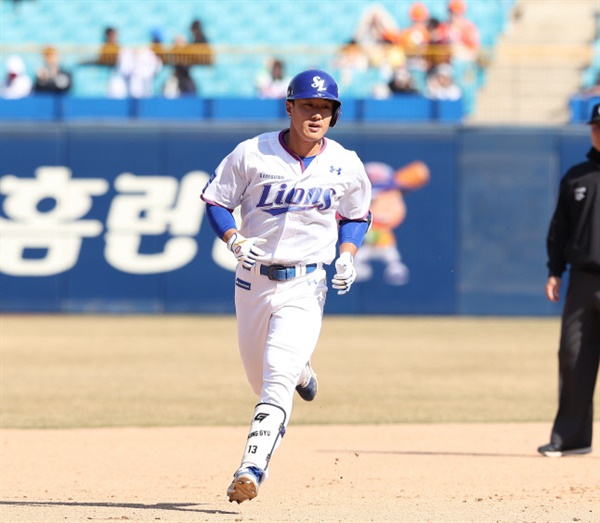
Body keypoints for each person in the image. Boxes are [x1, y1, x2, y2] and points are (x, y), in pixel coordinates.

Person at [201, 69, 372, 503]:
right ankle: (302, 368)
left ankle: (252, 466)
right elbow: (217, 201)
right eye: (309, 106)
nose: (317, 115)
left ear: (334, 115)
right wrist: (233, 238)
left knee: (275, 374)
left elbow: (357, 214)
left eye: (326, 108)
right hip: (252, 281)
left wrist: (348, 254)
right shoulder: (252, 153)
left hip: (307, 282)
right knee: (260, 378)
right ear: (290, 107)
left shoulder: (345, 163)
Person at [538, 102, 600, 458]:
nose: (599, 132)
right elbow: (559, 229)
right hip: (582, 279)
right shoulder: (577, 176)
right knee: (574, 356)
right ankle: (572, 438)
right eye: (596, 126)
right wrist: (554, 270)